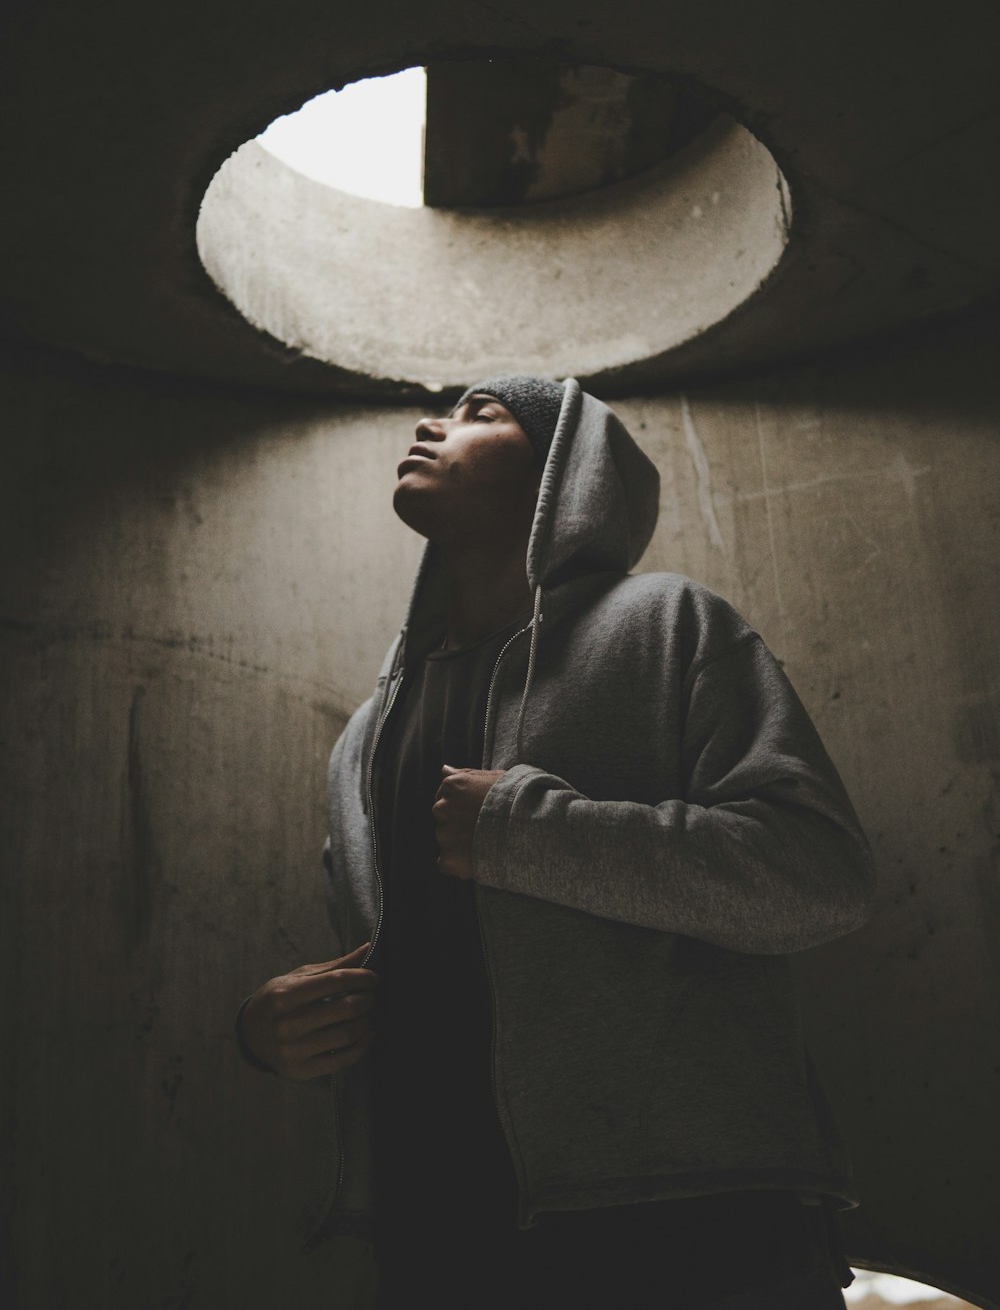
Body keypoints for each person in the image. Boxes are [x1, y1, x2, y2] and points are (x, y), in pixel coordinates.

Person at [238, 374, 876, 1309]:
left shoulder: (666, 624)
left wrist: (528, 832)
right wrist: (272, 1030)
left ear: (564, 471)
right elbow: (419, 959)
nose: (434, 425)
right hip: (438, 1228)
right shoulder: (366, 735)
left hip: (689, 1219)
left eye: (479, 413)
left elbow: (818, 877)